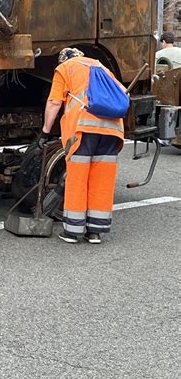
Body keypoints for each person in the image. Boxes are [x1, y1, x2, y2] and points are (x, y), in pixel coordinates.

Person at [39, 47, 124, 245]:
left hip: (84, 129)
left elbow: (53, 103)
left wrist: (45, 131)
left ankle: (73, 231)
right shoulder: (102, 67)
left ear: (64, 59)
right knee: (102, 180)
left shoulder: (65, 68)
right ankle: (95, 232)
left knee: (78, 178)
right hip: (112, 130)